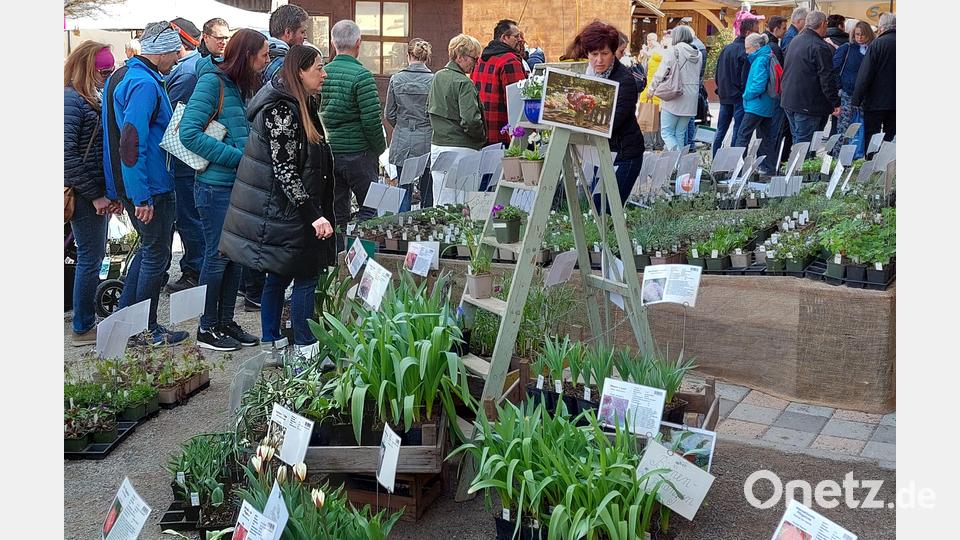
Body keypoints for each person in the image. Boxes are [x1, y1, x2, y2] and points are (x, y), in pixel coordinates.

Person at [220, 45, 335, 352]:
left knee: (279, 275)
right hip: (288, 210)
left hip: (285, 208)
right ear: (300, 72)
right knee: (305, 276)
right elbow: (284, 169)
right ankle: (305, 350)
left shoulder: (299, 103)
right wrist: (314, 214)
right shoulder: (282, 110)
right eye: (318, 69)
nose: (324, 74)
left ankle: (273, 341)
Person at [179, 29, 267, 351]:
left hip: (237, 186)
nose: (267, 61)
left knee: (236, 257)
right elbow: (188, 134)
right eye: (264, 55)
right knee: (217, 257)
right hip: (215, 188)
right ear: (247, 56)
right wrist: (237, 157)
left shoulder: (240, 86)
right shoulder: (212, 82)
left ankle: (225, 321)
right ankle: (206, 327)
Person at [102, 21, 187, 346]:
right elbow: (130, 141)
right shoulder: (144, 84)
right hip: (150, 187)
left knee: (151, 252)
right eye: (174, 50)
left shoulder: (140, 77)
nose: (178, 56)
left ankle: (131, 322)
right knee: (155, 255)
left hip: (148, 184)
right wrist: (140, 195)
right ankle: (142, 329)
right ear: (161, 52)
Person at [65, 41, 119, 346]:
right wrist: (97, 194)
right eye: (104, 70)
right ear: (87, 68)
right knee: (90, 257)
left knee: (91, 255)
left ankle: (84, 321)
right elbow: (66, 157)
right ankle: (83, 326)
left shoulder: (85, 97)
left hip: (91, 190)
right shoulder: (72, 100)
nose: (108, 74)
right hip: (85, 194)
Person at [320, 20, 387, 252]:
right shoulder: (362, 76)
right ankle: (363, 261)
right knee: (370, 210)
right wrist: (379, 148)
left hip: (330, 153)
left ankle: (337, 263)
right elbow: (371, 121)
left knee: (337, 212)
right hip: (360, 153)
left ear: (332, 43)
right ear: (359, 43)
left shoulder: (322, 74)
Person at [576, 22, 644, 209]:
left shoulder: (624, 81)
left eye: (604, 53)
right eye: (594, 54)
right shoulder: (588, 75)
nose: (599, 60)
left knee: (606, 208)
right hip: (600, 152)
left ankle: (614, 239)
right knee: (595, 208)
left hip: (624, 154)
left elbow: (610, 122)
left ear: (613, 52)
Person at [164, 17, 206, 294]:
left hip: (183, 156)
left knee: (189, 216)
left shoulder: (186, 72)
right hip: (185, 155)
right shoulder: (191, 68)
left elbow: (169, 115)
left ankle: (194, 270)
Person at [385, 38, 434, 212]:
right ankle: (427, 230)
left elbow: (389, 113)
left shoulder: (396, 79)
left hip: (402, 138)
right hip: (426, 138)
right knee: (428, 190)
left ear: (408, 55)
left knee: (403, 189)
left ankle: (402, 232)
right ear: (426, 57)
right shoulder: (433, 80)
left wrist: (402, 126)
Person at [780, 11, 840, 145]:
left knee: (799, 143)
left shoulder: (796, 40)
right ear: (823, 24)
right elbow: (827, 78)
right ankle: (801, 166)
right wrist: (835, 102)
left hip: (790, 100)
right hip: (808, 104)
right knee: (805, 147)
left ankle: (796, 166)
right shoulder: (819, 46)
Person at [427, 33, 486, 166]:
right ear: (460, 57)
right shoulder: (464, 83)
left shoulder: (438, 76)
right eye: (474, 59)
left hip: (438, 146)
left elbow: (428, 108)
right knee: (463, 187)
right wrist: (481, 138)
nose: (476, 64)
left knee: (440, 187)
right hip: (462, 148)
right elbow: (471, 120)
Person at [471, 19, 527, 146]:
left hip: (482, 133)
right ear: (504, 38)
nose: (521, 40)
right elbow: (517, 102)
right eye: (516, 36)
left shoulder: (481, 60)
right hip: (504, 136)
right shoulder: (510, 61)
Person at [712, 18, 757, 157]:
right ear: (748, 32)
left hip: (725, 95)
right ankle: (733, 163)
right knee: (738, 131)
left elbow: (717, 72)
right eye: (756, 31)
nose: (759, 35)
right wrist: (745, 93)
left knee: (721, 131)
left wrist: (721, 89)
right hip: (738, 97)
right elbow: (745, 77)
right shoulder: (745, 51)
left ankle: (715, 160)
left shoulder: (727, 48)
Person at [652, 25, 702, 151]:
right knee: (680, 133)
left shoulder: (673, 51)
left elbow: (660, 73)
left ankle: (676, 163)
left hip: (674, 95)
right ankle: (679, 165)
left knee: (667, 133)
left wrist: (651, 89)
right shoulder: (698, 54)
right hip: (691, 98)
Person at [852, 13, 895, 152]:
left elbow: (865, 74)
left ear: (881, 27)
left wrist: (856, 99)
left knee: (872, 136)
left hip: (875, 101)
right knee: (892, 136)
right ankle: (888, 165)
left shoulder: (877, 44)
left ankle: (872, 164)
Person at [834, 21, 874, 158]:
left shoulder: (873, 49)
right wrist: (840, 86)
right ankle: (838, 157)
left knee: (862, 128)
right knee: (844, 127)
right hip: (848, 93)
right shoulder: (847, 48)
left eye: (863, 34)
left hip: (866, 96)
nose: (860, 37)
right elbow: (835, 68)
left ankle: (856, 156)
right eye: (857, 34)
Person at [735, 34, 775, 155]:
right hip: (767, 104)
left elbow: (758, 85)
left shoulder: (760, 60)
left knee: (742, 136)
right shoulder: (768, 56)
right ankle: (766, 167)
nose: (746, 52)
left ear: (756, 47)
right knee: (765, 138)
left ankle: (738, 168)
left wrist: (746, 95)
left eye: (748, 48)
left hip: (756, 105)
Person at [262, 4, 309, 84]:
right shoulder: (283, 66)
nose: (305, 36)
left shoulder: (261, 57)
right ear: (288, 33)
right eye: (302, 32)